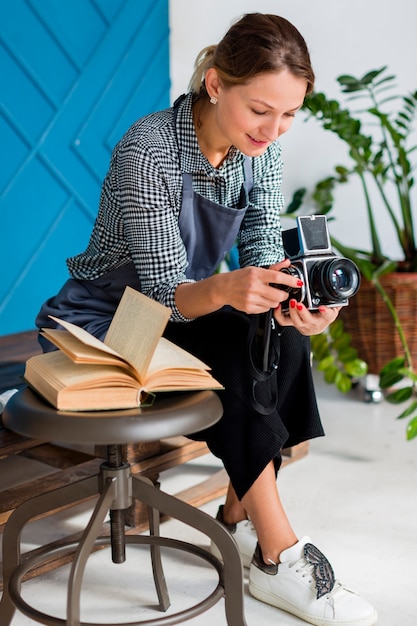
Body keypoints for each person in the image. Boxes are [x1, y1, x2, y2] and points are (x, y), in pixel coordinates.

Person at [35, 13, 377, 626]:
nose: (274, 130)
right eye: (260, 110)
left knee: (282, 340)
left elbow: (264, 257)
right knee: (239, 351)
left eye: (290, 114)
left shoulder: (259, 152)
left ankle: (237, 522)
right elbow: (167, 295)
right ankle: (279, 556)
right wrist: (229, 287)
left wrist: (298, 307)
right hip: (107, 320)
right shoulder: (149, 149)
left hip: (180, 313)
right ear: (216, 85)